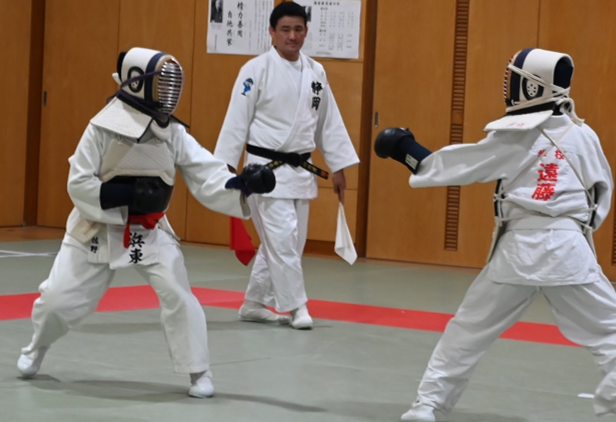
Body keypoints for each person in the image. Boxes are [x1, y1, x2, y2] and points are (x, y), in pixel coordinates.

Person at [374, 48, 616, 422]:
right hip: (569, 249)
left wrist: (408, 150)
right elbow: (601, 195)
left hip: (517, 252)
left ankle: (428, 404)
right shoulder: (584, 134)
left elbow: (457, 164)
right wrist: (571, 228)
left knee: (469, 329)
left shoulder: (512, 135)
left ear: (529, 85)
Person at [17, 47, 275, 398]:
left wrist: (244, 184)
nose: (170, 90)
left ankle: (198, 370)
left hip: (148, 229)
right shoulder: (101, 128)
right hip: (96, 225)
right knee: (58, 301)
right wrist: (123, 195)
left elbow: (206, 172)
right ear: (139, 83)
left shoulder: (172, 132)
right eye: (163, 82)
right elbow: (78, 182)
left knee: (178, 293)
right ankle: (36, 347)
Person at [214, 1, 360, 330]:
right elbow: (236, 121)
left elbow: (327, 122)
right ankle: (297, 307)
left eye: (298, 29)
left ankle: (253, 304)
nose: (292, 36)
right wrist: (223, 167)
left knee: (290, 242)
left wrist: (337, 166)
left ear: (306, 31)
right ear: (272, 32)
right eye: (285, 30)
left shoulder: (316, 72)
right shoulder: (255, 69)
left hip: (301, 173)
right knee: (283, 240)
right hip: (263, 172)